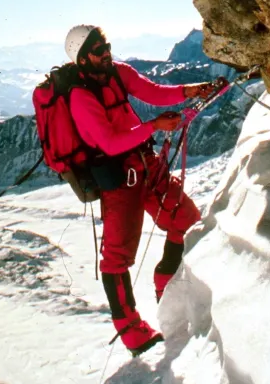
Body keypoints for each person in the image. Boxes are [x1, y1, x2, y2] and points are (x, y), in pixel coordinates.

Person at [64, 23, 218, 356]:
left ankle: (168, 284)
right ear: (82, 59)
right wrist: (153, 125)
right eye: (98, 51)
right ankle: (131, 331)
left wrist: (189, 91)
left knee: (185, 219)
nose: (106, 53)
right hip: (118, 178)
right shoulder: (80, 96)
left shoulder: (118, 73)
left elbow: (152, 91)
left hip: (144, 162)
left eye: (106, 46)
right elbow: (108, 140)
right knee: (117, 258)